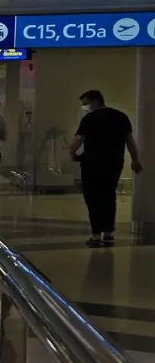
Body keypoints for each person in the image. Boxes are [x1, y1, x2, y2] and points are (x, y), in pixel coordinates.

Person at [72, 89, 142, 247]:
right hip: (114, 162)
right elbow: (130, 140)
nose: (85, 107)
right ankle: (108, 232)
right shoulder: (121, 117)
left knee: (92, 197)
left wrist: (72, 154)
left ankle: (96, 234)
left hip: (92, 163)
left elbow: (78, 140)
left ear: (96, 101)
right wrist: (135, 160)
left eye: (86, 104)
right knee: (109, 195)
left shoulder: (89, 119)